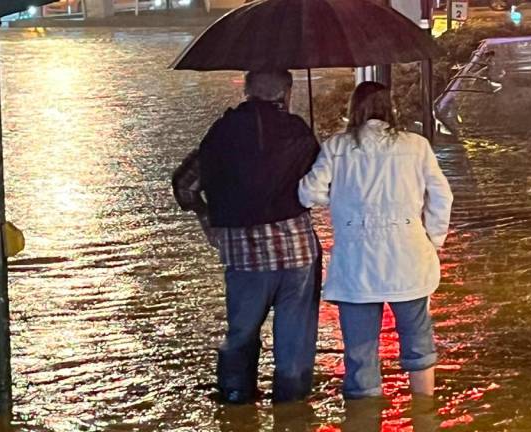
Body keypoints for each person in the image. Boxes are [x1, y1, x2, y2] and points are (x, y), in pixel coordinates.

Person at [298, 82, 453, 400]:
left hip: (356, 268)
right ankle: (424, 414)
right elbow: (442, 196)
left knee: (360, 355)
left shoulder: (336, 147)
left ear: (354, 109)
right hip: (409, 258)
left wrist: (338, 194)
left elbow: (308, 194)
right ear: (390, 108)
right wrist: (434, 240)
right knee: (418, 345)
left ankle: (364, 416)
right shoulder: (416, 145)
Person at [174, 70, 321, 404]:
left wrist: (206, 216)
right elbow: (320, 184)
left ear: (247, 91)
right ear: (286, 94)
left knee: (241, 332)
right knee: (295, 334)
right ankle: (292, 405)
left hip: (244, 254)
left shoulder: (221, 133)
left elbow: (185, 185)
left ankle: (237, 400)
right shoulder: (297, 130)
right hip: (297, 251)